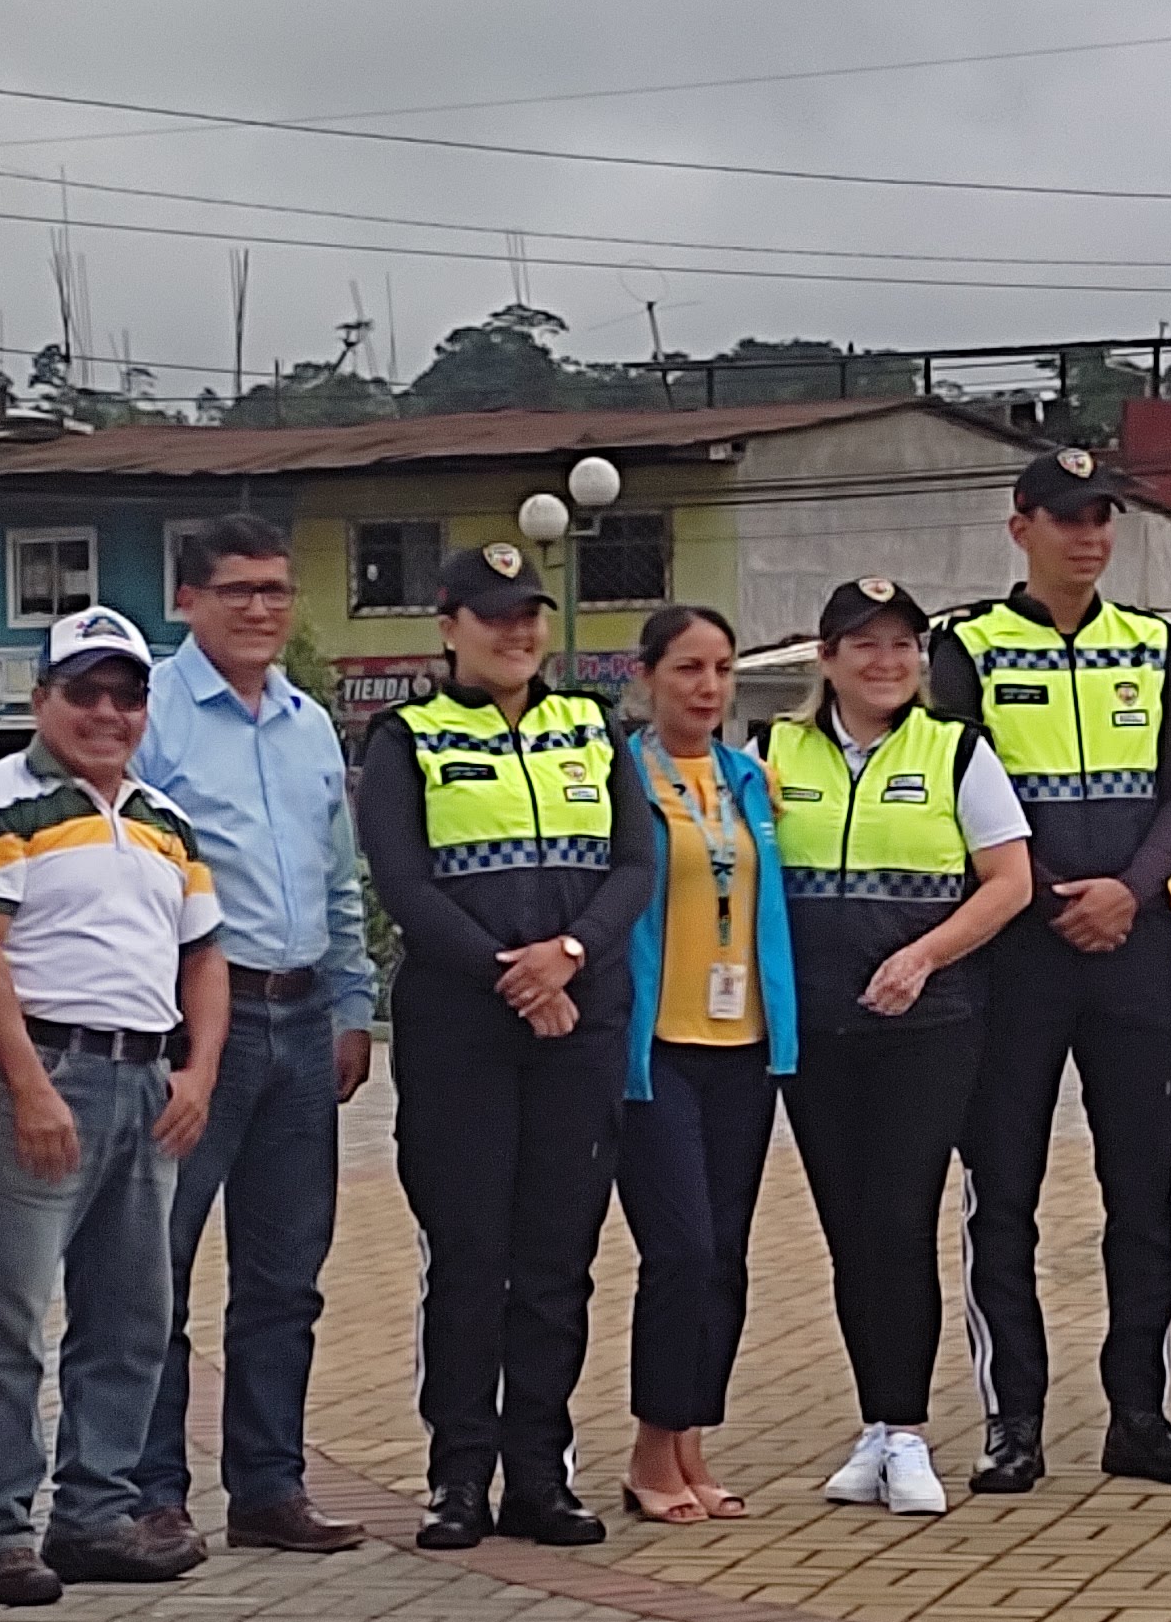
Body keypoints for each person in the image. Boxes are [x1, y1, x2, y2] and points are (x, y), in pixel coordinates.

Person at [930, 448, 1171, 1494]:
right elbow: (957, 788)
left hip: (1133, 950)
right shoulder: (967, 644)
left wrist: (1129, 893)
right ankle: (1013, 1421)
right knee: (1002, 1189)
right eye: (1066, 519)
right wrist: (1056, 895)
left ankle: (1139, 1415)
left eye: (1101, 518)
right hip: (1016, 951)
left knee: (1142, 1191)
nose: (1088, 536)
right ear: (1022, 528)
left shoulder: (1150, 642)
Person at [0, 606, 227, 1602]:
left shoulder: (163, 818)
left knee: (132, 1314)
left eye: (126, 695)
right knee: (9, 1314)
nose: (107, 712)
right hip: (42, 1075)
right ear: (41, 698)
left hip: (147, 1081)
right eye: (84, 692)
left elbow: (205, 955)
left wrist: (199, 1074)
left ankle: (96, 1513)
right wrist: (26, 1084)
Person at [359, 543, 650, 1549]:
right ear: (449, 628)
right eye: (493, 616)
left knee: (557, 1261)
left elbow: (634, 864)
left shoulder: (593, 727)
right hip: (463, 1032)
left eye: (529, 615)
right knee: (470, 1260)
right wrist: (512, 978)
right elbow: (403, 883)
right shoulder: (406, 738)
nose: (516, 632)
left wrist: (568, 956)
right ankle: (457, 1476)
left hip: (580, 1023)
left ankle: (540, 1474)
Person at [125, 516, 376, 1559]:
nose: (261, 609)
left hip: (303, 1014)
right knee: (159, 1265)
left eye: (276, 590)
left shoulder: (309, 723)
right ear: (187, 600)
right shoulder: (151, 717)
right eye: (238, 590)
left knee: (285, 1274)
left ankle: (270, 1487)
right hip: (196, 1022)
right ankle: (149, 1491)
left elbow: (338, 874)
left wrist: (354, 1001)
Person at [770, 576, 1032, 1517]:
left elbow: (1009, 882)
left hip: (926, 1028)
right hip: (816, 1032)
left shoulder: (957, 749)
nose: (887, 662)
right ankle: (874, 1428)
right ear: (827, 657)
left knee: (899, 1218)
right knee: (849, 1232)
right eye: (865, 644)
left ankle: (909, 1432)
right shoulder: (774, 752)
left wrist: (923, 957)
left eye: (903, 645)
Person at [615, 603, 796, 1525]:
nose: (708, 688)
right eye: (688, 668)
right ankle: (651, 1446)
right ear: (646, 676)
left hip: (745, 1046)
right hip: (656, 1050)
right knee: (680, 1250)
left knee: (724, 1256)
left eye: (722, 669)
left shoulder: (750, 779)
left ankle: (692, 1443)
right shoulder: (622, 777)